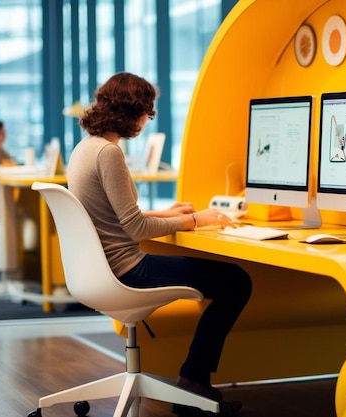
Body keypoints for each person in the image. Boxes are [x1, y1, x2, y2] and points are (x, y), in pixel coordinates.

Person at [67, 72, 252, 416]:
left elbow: (111, 213)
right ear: (132, 112)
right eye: (146, 113)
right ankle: (193, 381)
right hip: (127, 270)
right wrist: (196, 220)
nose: (145, 121)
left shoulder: (85, 149)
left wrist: (166, 212)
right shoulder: (108, 153)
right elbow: (135, 228)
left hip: (100, 269)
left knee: (229, 280)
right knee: (236, 282)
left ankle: (193, 380)